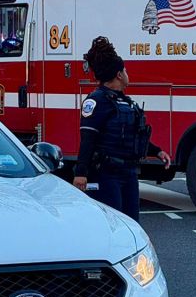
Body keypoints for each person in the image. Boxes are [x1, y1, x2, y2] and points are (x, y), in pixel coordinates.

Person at [71, 37, 171, 221]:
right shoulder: (97, 101)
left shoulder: (126, 102)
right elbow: (88, 139)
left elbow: (133, 137)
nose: (127, 73)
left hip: (129, 173)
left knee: (132, 223)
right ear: (118, 74)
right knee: (114, 223)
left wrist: (157, 151)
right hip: (107, 174)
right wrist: (81, 174)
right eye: (124, 70)